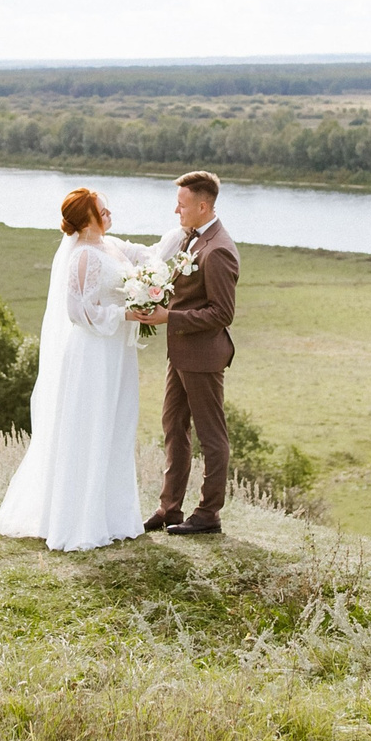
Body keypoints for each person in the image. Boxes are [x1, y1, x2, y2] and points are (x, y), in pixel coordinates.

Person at [0, 187, 147, 551]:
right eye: (103, 211)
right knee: (89, 426)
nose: (109, 215)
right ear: (88, 218)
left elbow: (145, 257)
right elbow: (80, 312)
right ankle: (79, 520)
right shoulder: (82, 258)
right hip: (93, 352)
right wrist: (126, 312)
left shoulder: (109, 247)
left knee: (115, 424)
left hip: (116, 352)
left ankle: (112, 515)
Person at [133, 171, 240, 536]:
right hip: (179, 354)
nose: (175, 210)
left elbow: (222, 313)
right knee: (173, 428)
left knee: (211, 437)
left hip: (203, 358)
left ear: (202, 205)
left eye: (181, 204)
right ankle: (169, 508)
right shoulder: (189, 239)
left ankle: (209, 514)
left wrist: (170, 317)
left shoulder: (219, 248)